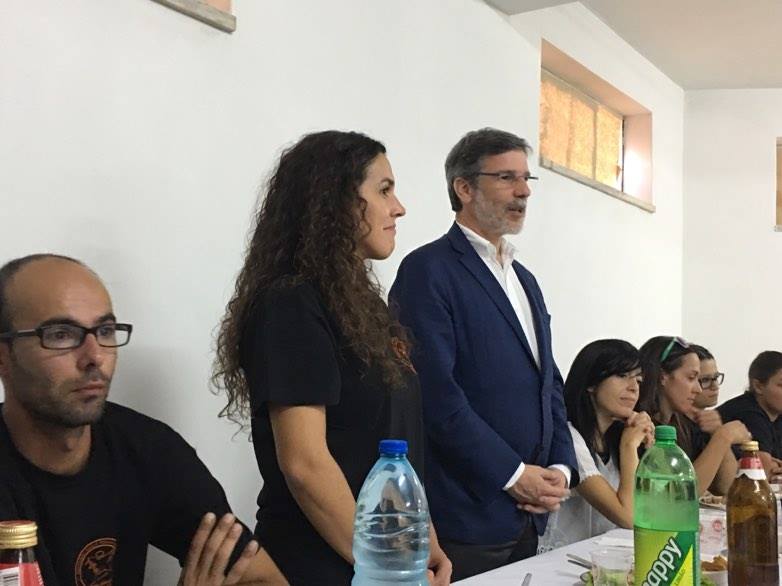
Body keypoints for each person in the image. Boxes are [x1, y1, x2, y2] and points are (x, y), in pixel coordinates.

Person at [212, 131, 451, 585]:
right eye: (384, 190)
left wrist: (423, 539)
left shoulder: (362, 306)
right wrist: (387, 566)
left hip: (375, 562)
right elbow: (304, 464)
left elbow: (393, 445)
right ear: (337, 200)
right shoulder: (290, 303)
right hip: (318, 567)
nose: (399, 207)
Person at [0, 254, 286, 586]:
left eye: (105, 330)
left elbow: (263, 578)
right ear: (3, 356)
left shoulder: (147, 450)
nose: (95, 356)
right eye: (61, 334)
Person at [389, 128, 577, 580]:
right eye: (507, 177)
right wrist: (513, 475)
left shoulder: (524, 279)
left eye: (526, 178)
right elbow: (435, 394)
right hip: (466, 514)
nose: (523, 191)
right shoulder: (428, 270)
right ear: (464, 187)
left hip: (530, 514)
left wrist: (560, 467)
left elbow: (548, 382)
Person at [539, 339, 653, 551]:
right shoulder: (568, 438)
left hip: (604, 554)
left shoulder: (618, 436)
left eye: (638, 380)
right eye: (622, 375)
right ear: (591, 383)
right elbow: (628, 518)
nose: (633, 388)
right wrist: (629, 447)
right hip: (561, 559)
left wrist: (646, 448)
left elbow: (652, 508)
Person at [637, 336, 750, 495]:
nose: (698, 389)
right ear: (663, 376)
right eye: (691, 378)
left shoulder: (681, 424)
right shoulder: (640, 427)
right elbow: (681, 493)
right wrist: (723, 437)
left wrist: (717, 433)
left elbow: (725, 486)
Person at [719, 350, 782, 477]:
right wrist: (770, 465)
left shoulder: (776, 413)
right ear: (758, 386)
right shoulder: (748, 412)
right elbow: (762, 471)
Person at [688, 344, 725, 434]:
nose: (715, 386)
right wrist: (724, 436)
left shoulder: (713, 420)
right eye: (705, 380)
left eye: (716, 377)